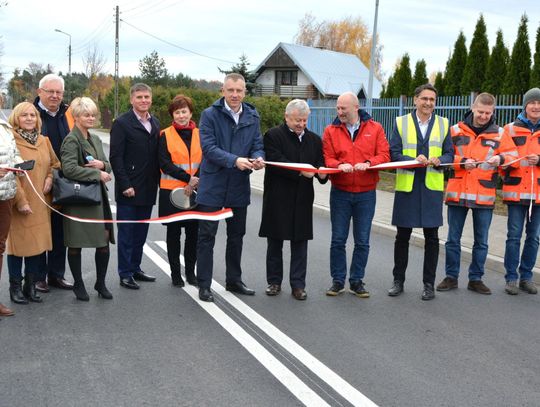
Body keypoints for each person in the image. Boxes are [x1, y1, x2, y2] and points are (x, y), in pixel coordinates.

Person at [436, 93, 518, 295]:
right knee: (453, 239)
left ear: (493, 112)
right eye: (480, 111)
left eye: (488, 113)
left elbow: (514, 157)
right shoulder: (455, 130)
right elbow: (444, 156)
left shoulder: (500, 133)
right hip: (458, 193)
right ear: (473, 107)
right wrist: (461, 161)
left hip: (484, 194)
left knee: (481, 241)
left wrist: (500, 159)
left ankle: (476, 279)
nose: (483, 116)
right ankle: (451, 277)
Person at [196, 73, 265, 302]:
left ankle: (234, 280)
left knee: (237, 236)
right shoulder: (209, 115)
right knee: (207, 236)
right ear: (222, 91)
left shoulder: (253, 115)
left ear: (245, 92)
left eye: (239, 91)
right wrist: (235, 160)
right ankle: (204, 284)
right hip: (213, 184)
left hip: (238, 185)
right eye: (230, 90)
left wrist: (258, 158)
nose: (235, 95)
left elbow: (257, 143)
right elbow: (208, 148)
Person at [388, 84, 454, 301]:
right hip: (407, 187)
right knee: (402, 237)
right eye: (424, 98)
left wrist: (440, 161)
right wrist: (412, 161)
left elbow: (449, 154)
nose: (428, 103)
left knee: (432, 239)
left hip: (431, 189)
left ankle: (428, 284)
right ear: (415, 100)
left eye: (432, 99)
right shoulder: (401, 122)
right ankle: (398, 281)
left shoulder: (444, 124)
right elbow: (394, 153)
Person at [322, 92, 390, 298]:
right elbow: (327, 157)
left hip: (366, 193)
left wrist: (369, 164)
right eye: (337, 108)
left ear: (356, 108)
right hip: (340, 192)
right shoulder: (330, 131)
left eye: (343, 108)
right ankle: (337, 281)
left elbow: (385, 155)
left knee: (362, 240)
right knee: (338, 239)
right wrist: (338, 165)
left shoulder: (375, 128)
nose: (339, 112)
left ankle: (357, 281)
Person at [258, 99, 327, 301]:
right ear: (286, 117)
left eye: (304, 120)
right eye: (297, 120)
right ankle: (274, 282)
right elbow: (276, 161)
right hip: (278, 197)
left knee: (300, 243)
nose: (301, 124)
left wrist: (323, 174)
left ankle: (298, 285)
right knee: (275, 242)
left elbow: (320, 163)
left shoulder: (314, 140)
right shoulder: (273, 135)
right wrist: (301, 171)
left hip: (302, 199)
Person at [60, 97, 114, 301]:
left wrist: (102, 167)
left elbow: (107, 165)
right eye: (86, 114)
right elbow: (69, 169)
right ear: (76, 117)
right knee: (76, 243)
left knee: (103, 241)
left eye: (93, 114)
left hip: (98, 198)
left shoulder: (96, 139)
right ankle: (79, 284)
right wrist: (96, 174)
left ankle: (100, 283)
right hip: (79, 200)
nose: (91, 118)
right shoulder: (71, 140)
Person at [7, 102, 60, 305]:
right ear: (16, 118)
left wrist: (49, 178)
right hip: (20, 202)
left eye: (33, 115)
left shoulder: (44, 141)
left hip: (41, 203)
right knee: (18, 248)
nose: (29, 118)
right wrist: (20, 201)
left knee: (36, 247)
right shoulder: (10, 141)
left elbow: (55, 164)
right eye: (24, 115)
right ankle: (15, 287)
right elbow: (10, 174)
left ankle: (30, 285)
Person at [110, 83, 160, 290]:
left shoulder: (155, 123)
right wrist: (124, 184)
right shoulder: (122, 123)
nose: (143, 100)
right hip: (129, 189)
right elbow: (116, 157)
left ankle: (136, 267)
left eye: (147, 97)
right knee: (127, 233)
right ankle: (125, 273)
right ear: (131, 99)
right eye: (139, 97)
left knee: (141, 232)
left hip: (148, 188)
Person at [33, 73, 74, 292]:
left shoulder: (68, 114)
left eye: (58, 92)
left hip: (63, 181)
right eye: (50, 91)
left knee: (60, 230)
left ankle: (56, 275)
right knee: (40, 229)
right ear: (40, 92)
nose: (55, 96)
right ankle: (37, 276)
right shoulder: (30, 114)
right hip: (38, 181)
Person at [158, 95, 201, 287]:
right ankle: (176, 273)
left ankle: (191, 273)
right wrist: (187, 179)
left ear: (191, 112)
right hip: (171, 192)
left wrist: (195, 181)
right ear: (172, 115)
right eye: (177, 112)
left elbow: (206, 159)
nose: (181, 115)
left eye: (184, 111)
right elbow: (164, 163)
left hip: (196, 191)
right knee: (174, 235)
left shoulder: (202, 133)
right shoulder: (164, 135)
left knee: (193, 234)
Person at [501, 87, 540, 295]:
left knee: (534, 238)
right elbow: (502, 158)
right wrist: (510, 165)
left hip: (539, 195)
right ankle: (511, 278)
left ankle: (526, 277)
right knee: (514, 236)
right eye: (532, 103)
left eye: (539, 103)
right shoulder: (510, 129)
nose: (536, 106)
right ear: (525, 105)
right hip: (516, 192)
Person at [0, 117, 23, 318]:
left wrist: (19, 165)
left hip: (5, 193)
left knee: (0, 247)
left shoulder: (5, 126)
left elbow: (14, 152)